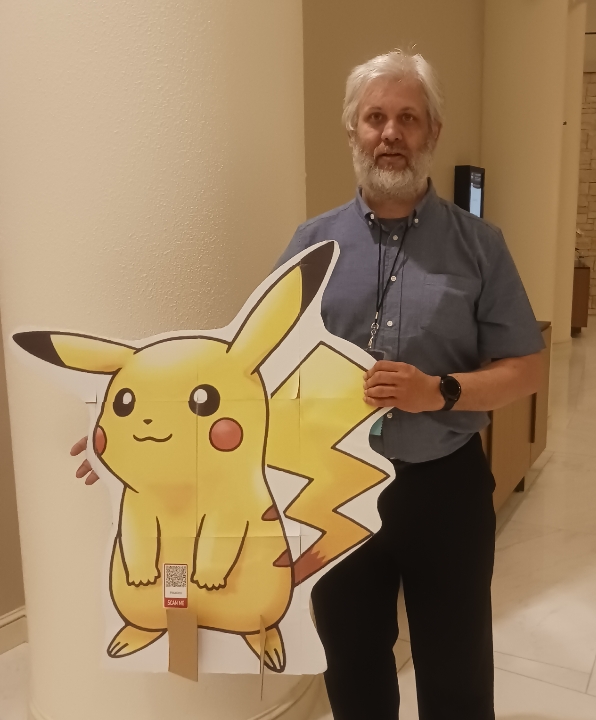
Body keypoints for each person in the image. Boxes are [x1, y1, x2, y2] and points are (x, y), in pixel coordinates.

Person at [72, 50, 544, 720]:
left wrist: (438, 392)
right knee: (352, 666)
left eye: (408, 118)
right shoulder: (312, 245)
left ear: (432, 132)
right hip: (327, 491)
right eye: (374, 118)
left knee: (458, 672)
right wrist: (123, 433)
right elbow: (244, 368)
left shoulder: (480, 245)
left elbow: (525, 367)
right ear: (352, 132)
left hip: (445, 489)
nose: (390, 133)